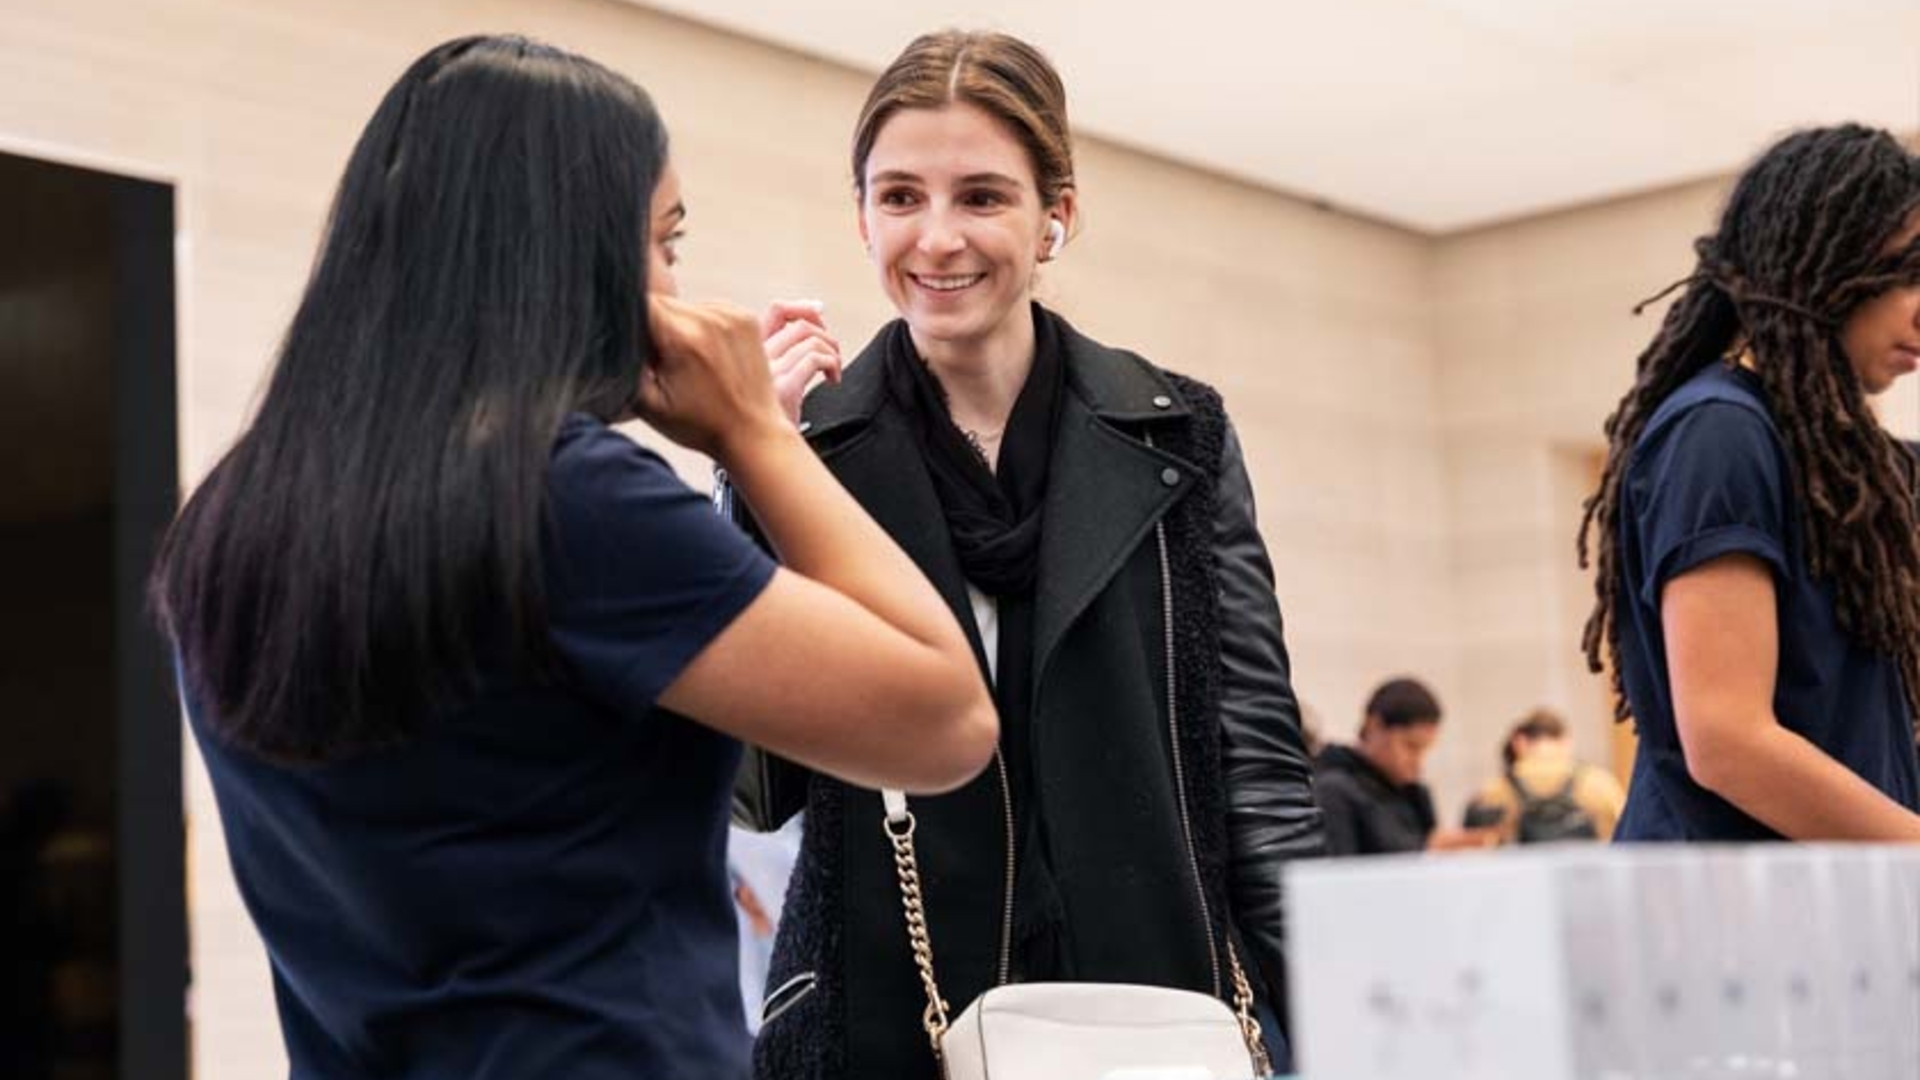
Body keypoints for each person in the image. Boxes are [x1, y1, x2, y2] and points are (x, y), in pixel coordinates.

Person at [149, 35, 997, 1080]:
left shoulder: (229, 520)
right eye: (664, 245)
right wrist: (757, 438)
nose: (678, 290)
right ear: (578, 257)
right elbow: (947, 720)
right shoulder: (568, 499)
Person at [732, 30, 1323, 1079]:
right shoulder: (809, 451)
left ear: (1057, 216)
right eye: (901, 196)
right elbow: (749, 784)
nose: (938, 238)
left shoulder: (1177, 433)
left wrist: (1325, 1018)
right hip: (881, 1017)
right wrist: (750, 472)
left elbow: (1259, 770)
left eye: (983, 197)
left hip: (1149, 1014)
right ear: (861, 213)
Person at [1580, 123, 1920, 843]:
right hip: (1722, 926)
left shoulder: (1845, 464)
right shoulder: (1719, 433)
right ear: (1815, 260)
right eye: (1905, 273)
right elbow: (1730, 742)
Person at [1316, 677, 1493, 856]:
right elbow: (1340, 874)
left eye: (1425, 750)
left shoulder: (1415, 792)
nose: (1418, 761)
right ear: (1374, 726)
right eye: (1410, 746)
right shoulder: (1333, 790)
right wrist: (1427, 850)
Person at [1461, 709, 1626, 844]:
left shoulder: (1493, 791)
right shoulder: (1602, 783)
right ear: (1566, 741)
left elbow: (1474, 849)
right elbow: (1628, 836)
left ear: (1520, 742)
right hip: (1589, 881)